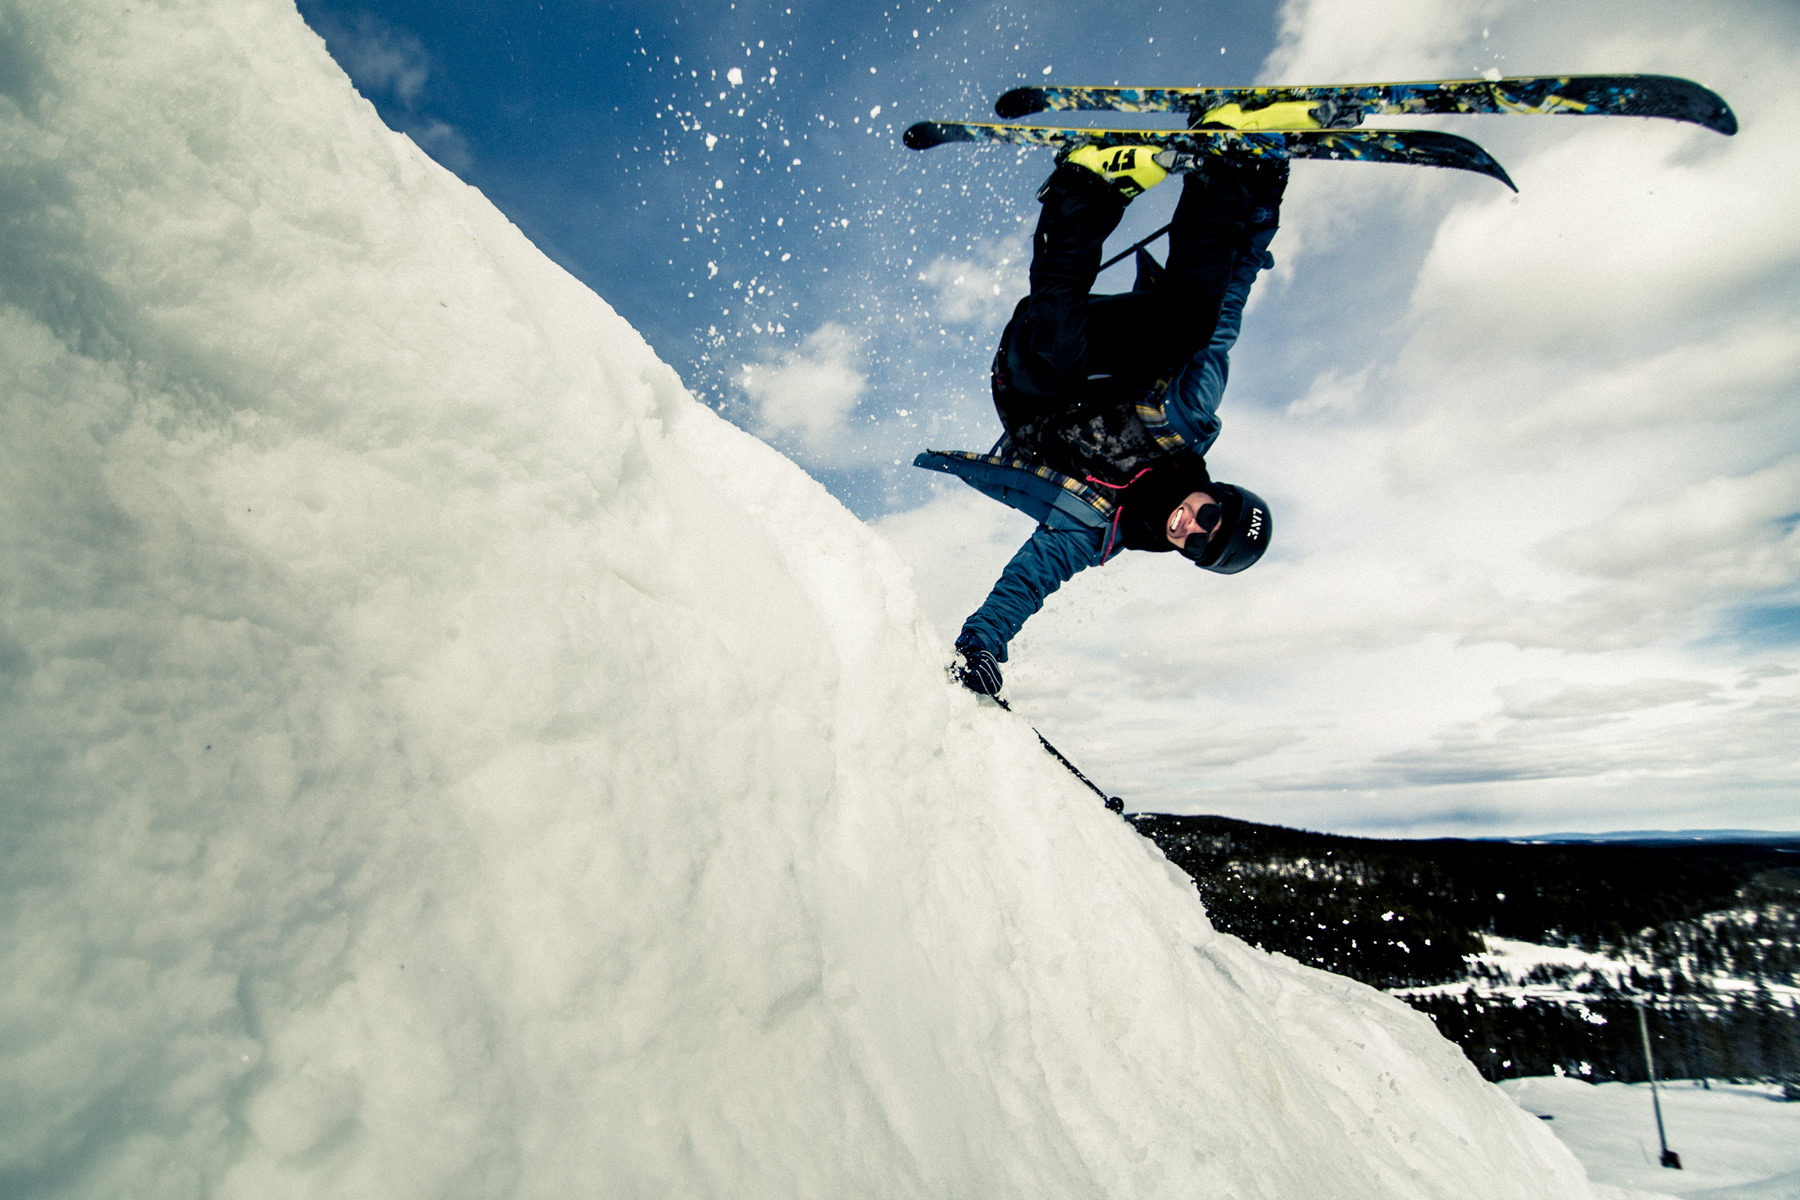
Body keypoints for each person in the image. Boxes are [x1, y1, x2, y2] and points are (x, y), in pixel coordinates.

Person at [914, 139, 1285, 696]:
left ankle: (1081, 192)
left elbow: (1029, 580)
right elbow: (1225, 316)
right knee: (1193, 324)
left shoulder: (1097, 528)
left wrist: (981, 644)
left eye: (1198, 548)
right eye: (1210, 519)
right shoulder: (1189, 421)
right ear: (1219, 494)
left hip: (1030, 378)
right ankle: (1224, 174)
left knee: (1059, 364)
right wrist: (1255, 214)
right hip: (1102, 350)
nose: (1190, 530)